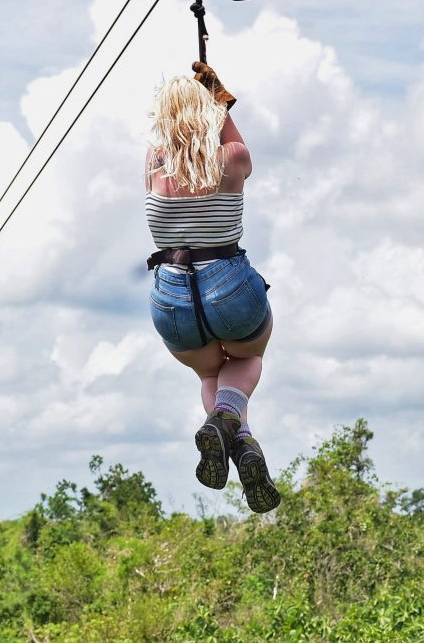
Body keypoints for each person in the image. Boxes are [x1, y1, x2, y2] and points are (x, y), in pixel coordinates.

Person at [144, 62, 280, 513]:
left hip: (171, 296)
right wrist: (219, 99)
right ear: (208, 117)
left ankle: (236, 436)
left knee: (209, 371)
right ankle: (228, 421)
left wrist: (192, 106)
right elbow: (238, 147)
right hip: (228, 285)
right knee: (248, 354)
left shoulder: (153, 164)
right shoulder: (232, 161)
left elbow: (175, 149)